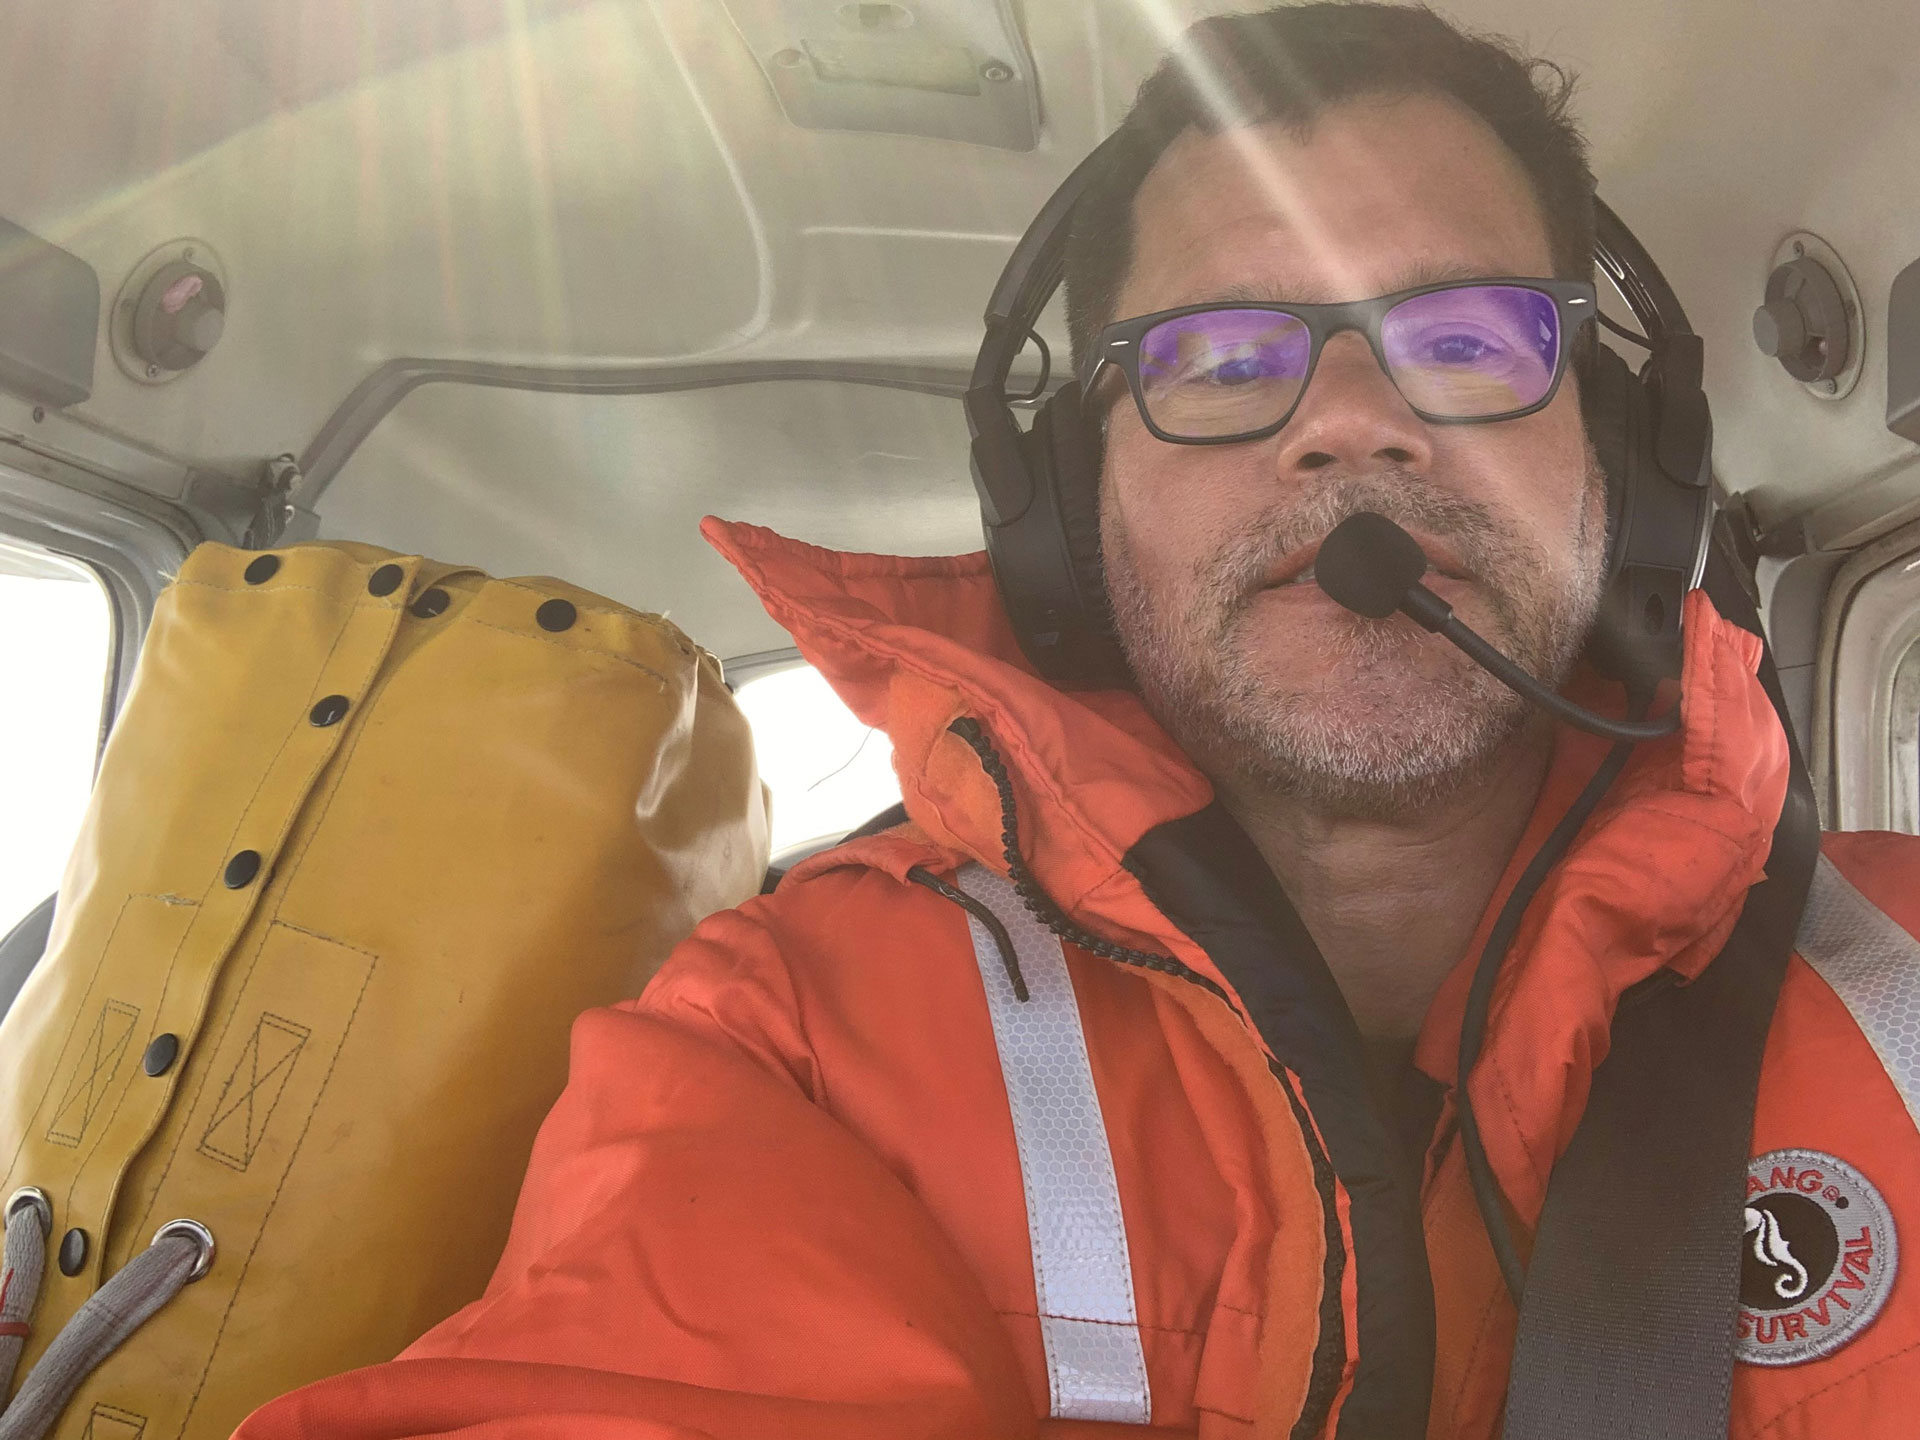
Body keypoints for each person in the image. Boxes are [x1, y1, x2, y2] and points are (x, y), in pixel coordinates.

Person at [240, 6, 1920, 1437]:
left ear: (1625, 469)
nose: (1349, 426)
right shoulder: (794, 1041)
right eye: (1221, 355)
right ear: (1065, 504)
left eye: (1466, 337)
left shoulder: (1902, 983)